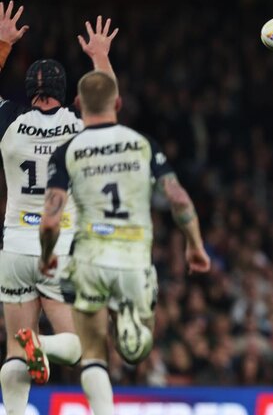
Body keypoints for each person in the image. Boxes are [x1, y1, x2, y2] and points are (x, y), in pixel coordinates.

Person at [40, 70, 211, 415]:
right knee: (137, 353)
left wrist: (47, 256)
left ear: (78, 104)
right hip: (134, 259)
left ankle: (52, 354)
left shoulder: (68, 151)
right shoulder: (143, 143)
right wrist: (194, 244)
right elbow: (178, 198)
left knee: (92, 353)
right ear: (117, 103)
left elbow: (50, 220)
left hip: (89, 257)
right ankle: (129, 325)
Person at [0, 1, 119, 414]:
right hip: (61, 246)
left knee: (15, 351)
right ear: (66, 92)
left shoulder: (9, 122)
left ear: (30, 91)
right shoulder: (76, 123)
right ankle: (44, 345)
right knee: (81, 346)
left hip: (14, 243)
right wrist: (99, 56)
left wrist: (3, 44)